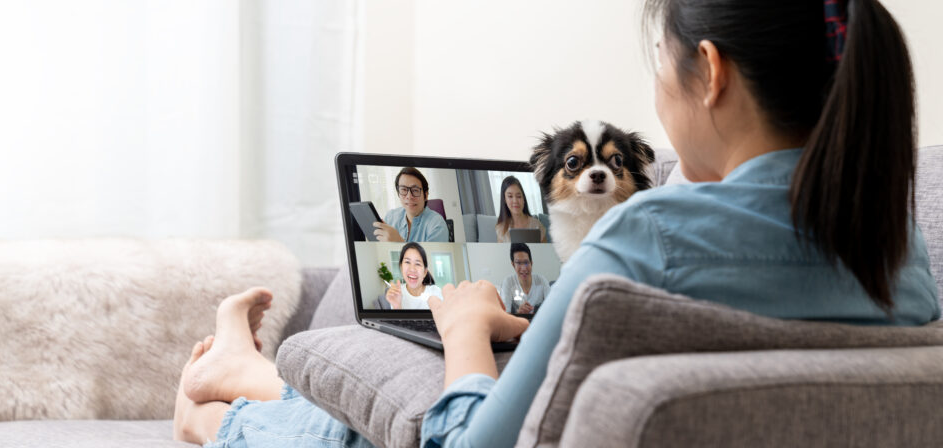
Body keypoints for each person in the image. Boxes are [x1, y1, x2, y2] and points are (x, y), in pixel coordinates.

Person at [172, 1, 940, 446]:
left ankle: (211, 413)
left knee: (359, 427)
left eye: (662, 69)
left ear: (710, 73)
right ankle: (238, 378)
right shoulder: (901, 252)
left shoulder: (649, 236)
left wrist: (469, 327)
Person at [373, 167, 449, 243]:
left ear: (425, 195)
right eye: (404, 190)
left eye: (415, 190)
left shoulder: (437, 225)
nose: (409, 196)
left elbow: (430, 255)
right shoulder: (390, 217)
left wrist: (399, 243)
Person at [381, 242, 443, 310]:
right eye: (407, 262)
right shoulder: (397, 293)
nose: (412, 269)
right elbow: (399, 320)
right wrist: (397, 306)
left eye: (418, 264)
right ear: (401, 267)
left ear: (425, 272)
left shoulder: (436, 292)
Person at [499, 243, 550, 314]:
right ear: (513, 265)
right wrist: (519, 313)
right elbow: (504, 315)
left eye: (526, 262)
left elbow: (552, 309)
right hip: (517, 323)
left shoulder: (541, 281)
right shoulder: (508, 282)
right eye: (518, 263)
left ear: (531, 263)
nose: (523, 268)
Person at [494, 176, 546, 243]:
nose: (515, 201)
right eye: (510, 196)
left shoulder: (537, 225)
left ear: (523, 199)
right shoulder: (501, 229)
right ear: (505, 200)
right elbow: (502, 253)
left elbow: (545, 252)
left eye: (518, 196)